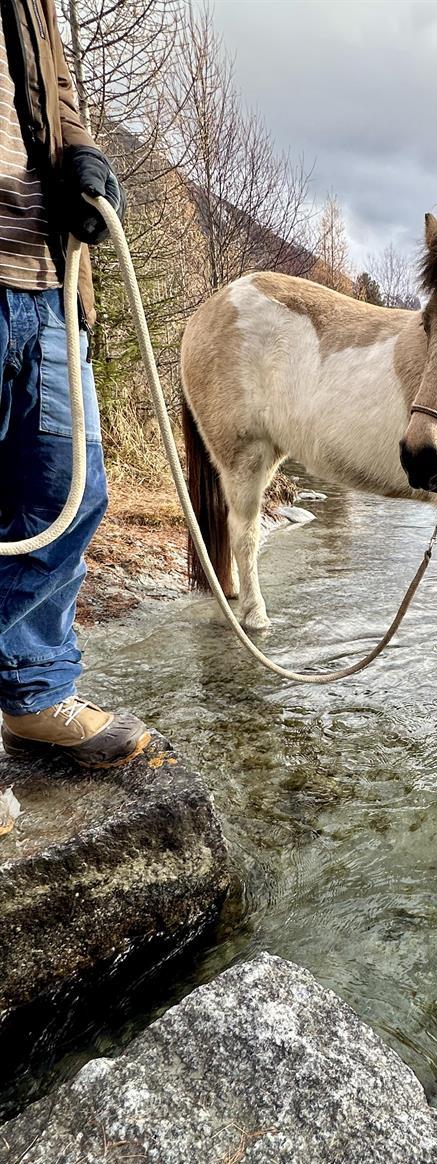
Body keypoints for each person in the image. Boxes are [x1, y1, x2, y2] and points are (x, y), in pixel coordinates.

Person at [0, 0, 149, 768]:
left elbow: (55, 90)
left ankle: (32, 695)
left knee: (67, 494)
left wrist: (86, 157)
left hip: (48, 280)